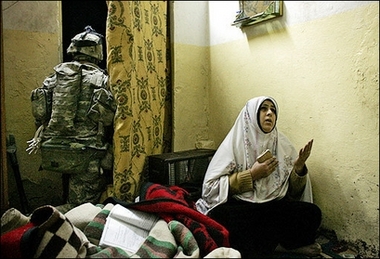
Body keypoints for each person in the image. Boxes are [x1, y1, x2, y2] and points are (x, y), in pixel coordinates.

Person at [195, 96, 322, 258]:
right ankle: (278, 246)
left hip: (272, 207)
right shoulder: (234, 144)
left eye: (273, 110)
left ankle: (275, 246)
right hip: (243, 208)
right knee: (221, 217)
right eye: (264, 108)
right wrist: (252, 175)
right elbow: (209, 190)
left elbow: (293, 195)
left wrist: (298, 170)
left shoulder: (283, 145)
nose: (269, 113)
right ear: (251, 114)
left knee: (312, 213)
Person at [27, 26, 115, 206]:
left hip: (56, 151)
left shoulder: (54, 78)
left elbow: (40, 114)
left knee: (67, 197)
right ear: (97, 51)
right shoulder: (102, 80)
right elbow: (109, 120)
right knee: (82, 208)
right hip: (87, 154)